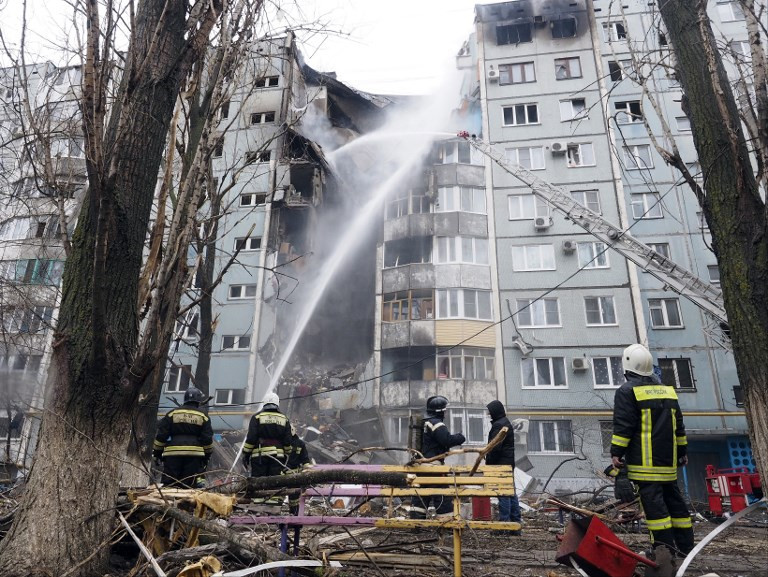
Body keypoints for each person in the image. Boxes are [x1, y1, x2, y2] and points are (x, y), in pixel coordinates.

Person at [610, 344, 694, 557]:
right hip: (668, 464)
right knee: (676, 506)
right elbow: (679, 425)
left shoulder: (627, 391)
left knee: (656, 512)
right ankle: (686, 549)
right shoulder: (667, 391)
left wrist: (616, 452)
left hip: (645, 466)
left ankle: (663, 551)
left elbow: (623, 426)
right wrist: (682, 451)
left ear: (627, 365)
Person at [410, 395, 466, 519]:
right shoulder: (436, 423)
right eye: (445, 410)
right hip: (433, 466)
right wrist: (460, 437)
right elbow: (446, 440)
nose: (446, 412)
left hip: (421, 465)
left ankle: (415, 524)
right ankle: (446, 523)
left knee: (421, 495)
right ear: (440, 411)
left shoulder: (426, 422)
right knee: (442, 494)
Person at [153, 386, 213, 488]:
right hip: (194, 455)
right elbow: (207, 439)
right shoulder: (203, 416)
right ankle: (185, 503)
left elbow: (161, 436)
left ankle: (168, 503)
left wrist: (157, 453)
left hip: (172, 454)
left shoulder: (172, 413)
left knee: (169, 485)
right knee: (188, 486)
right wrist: (206, 456)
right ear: (198, 400)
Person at [485, 400, 522, 535]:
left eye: (489, 411)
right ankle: (515, 525)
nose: (488, 414)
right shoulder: (504, 422)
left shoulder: (498, 425)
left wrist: (489, 464)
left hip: (500, 465)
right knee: (510, 493)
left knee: (503, 494)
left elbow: (494, 448)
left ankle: (505, 525)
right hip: (508, 463)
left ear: (495, 411)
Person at [242, 392, 293, 490]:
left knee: (258, 482)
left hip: (260, 456)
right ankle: (273, 501)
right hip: (278, 457)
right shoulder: (284, 419)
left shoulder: (257, 417)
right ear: (277, 403)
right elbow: (287, 441)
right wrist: (287, 454)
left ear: (264, 403)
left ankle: (258, 501)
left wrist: (246, 455)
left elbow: (251, 439)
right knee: (275, 481)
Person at [285, 424, 314, 514]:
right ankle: (293, 515)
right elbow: (305, 460)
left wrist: (308, 471)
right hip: (291, 475)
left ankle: (293, 515)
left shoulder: (299, 443)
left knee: (293, 498)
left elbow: (305, 461)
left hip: (287, 475)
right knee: (291, 497)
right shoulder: (299, 443)